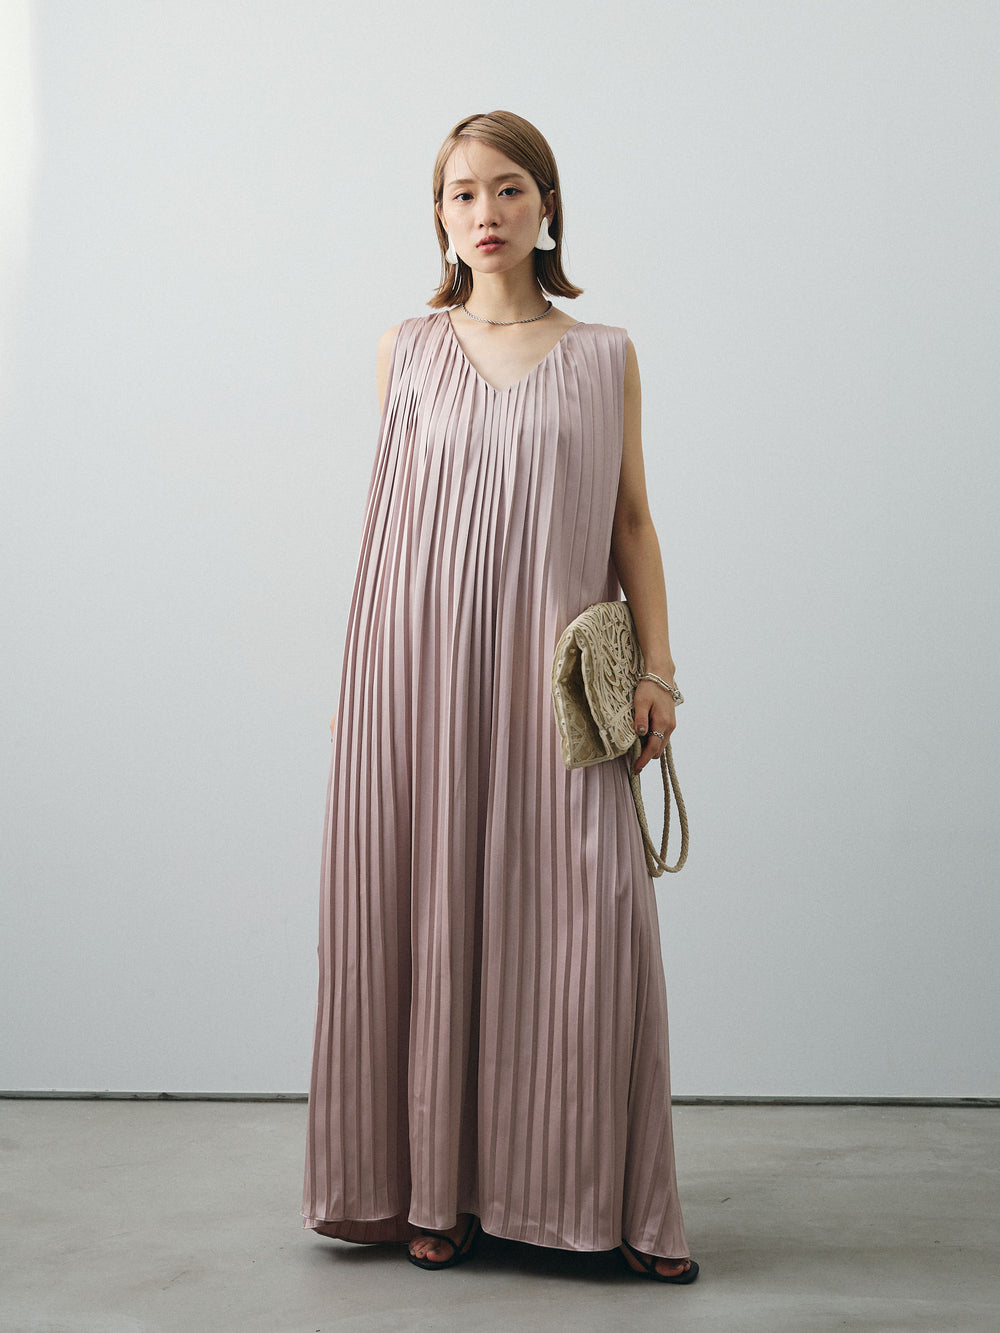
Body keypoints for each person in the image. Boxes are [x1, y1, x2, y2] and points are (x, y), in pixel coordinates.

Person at [302, 109, 698, 1287]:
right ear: (438, 215)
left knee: (586, 926)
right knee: (424, 918)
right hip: (415, 677)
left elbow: (632, 521)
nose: (486, 212)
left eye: (510, 188)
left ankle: (600, 1199)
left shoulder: (605, 354)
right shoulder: (406, 349)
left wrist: (658, 673)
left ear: (547, 206)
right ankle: (431, 1192)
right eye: (462, 192)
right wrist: (359, 689)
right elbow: (386, 529)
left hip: (553, 688)